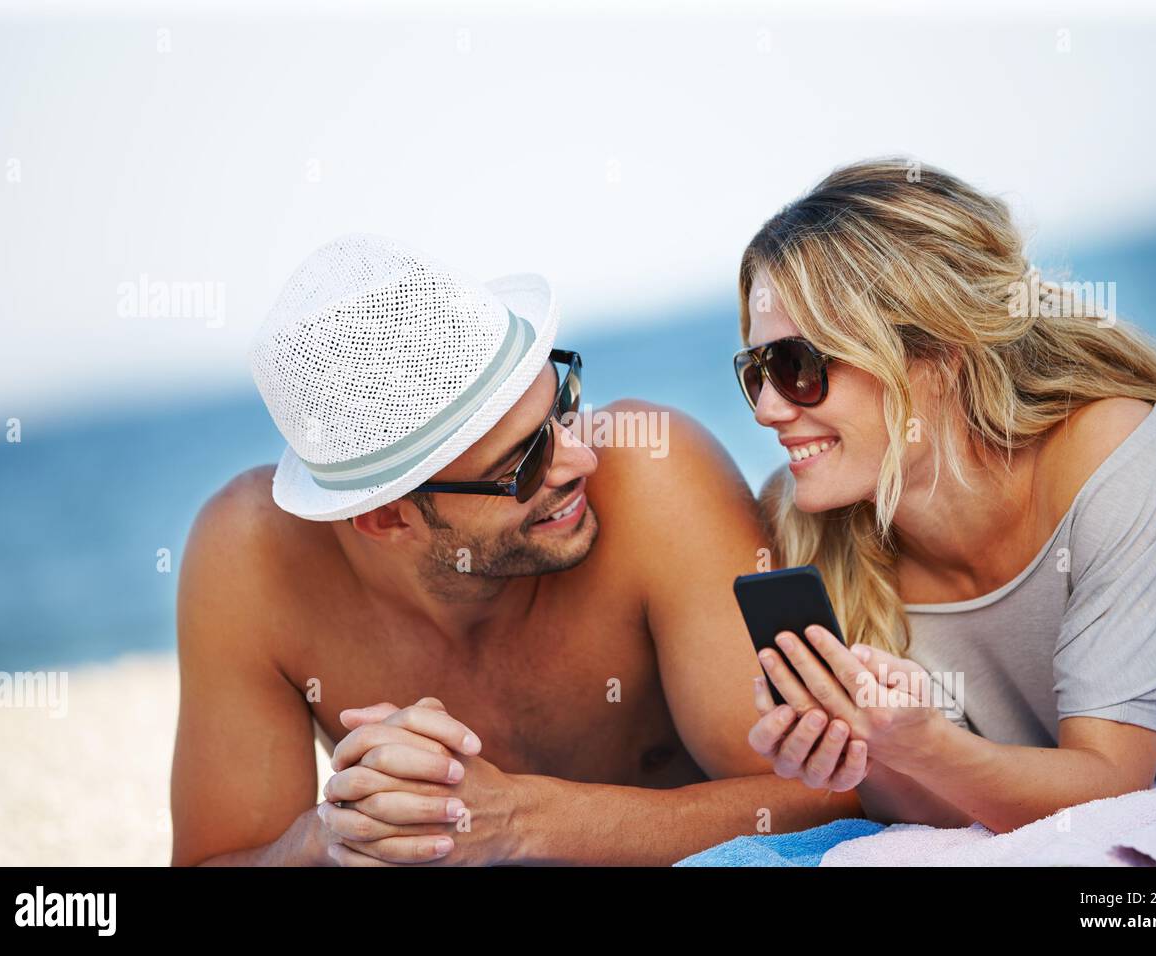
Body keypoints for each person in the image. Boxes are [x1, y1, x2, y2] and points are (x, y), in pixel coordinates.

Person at [170, 233, 856, 866]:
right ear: (386, 519)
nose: (581, 456)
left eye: (564, 407)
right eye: (525, 464)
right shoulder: (251, 558)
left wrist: (523, 819)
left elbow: (837, 795)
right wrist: (336, 834)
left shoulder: (654, 480)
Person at [736, 159, 1156, 834]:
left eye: (798, 366)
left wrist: (927, 746)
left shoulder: (1113, 454)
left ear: (940, 355)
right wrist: (870, 758)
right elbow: (954, 802)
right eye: (756, 371)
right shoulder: (809, 515)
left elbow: (1109, 781)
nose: (767, 410)